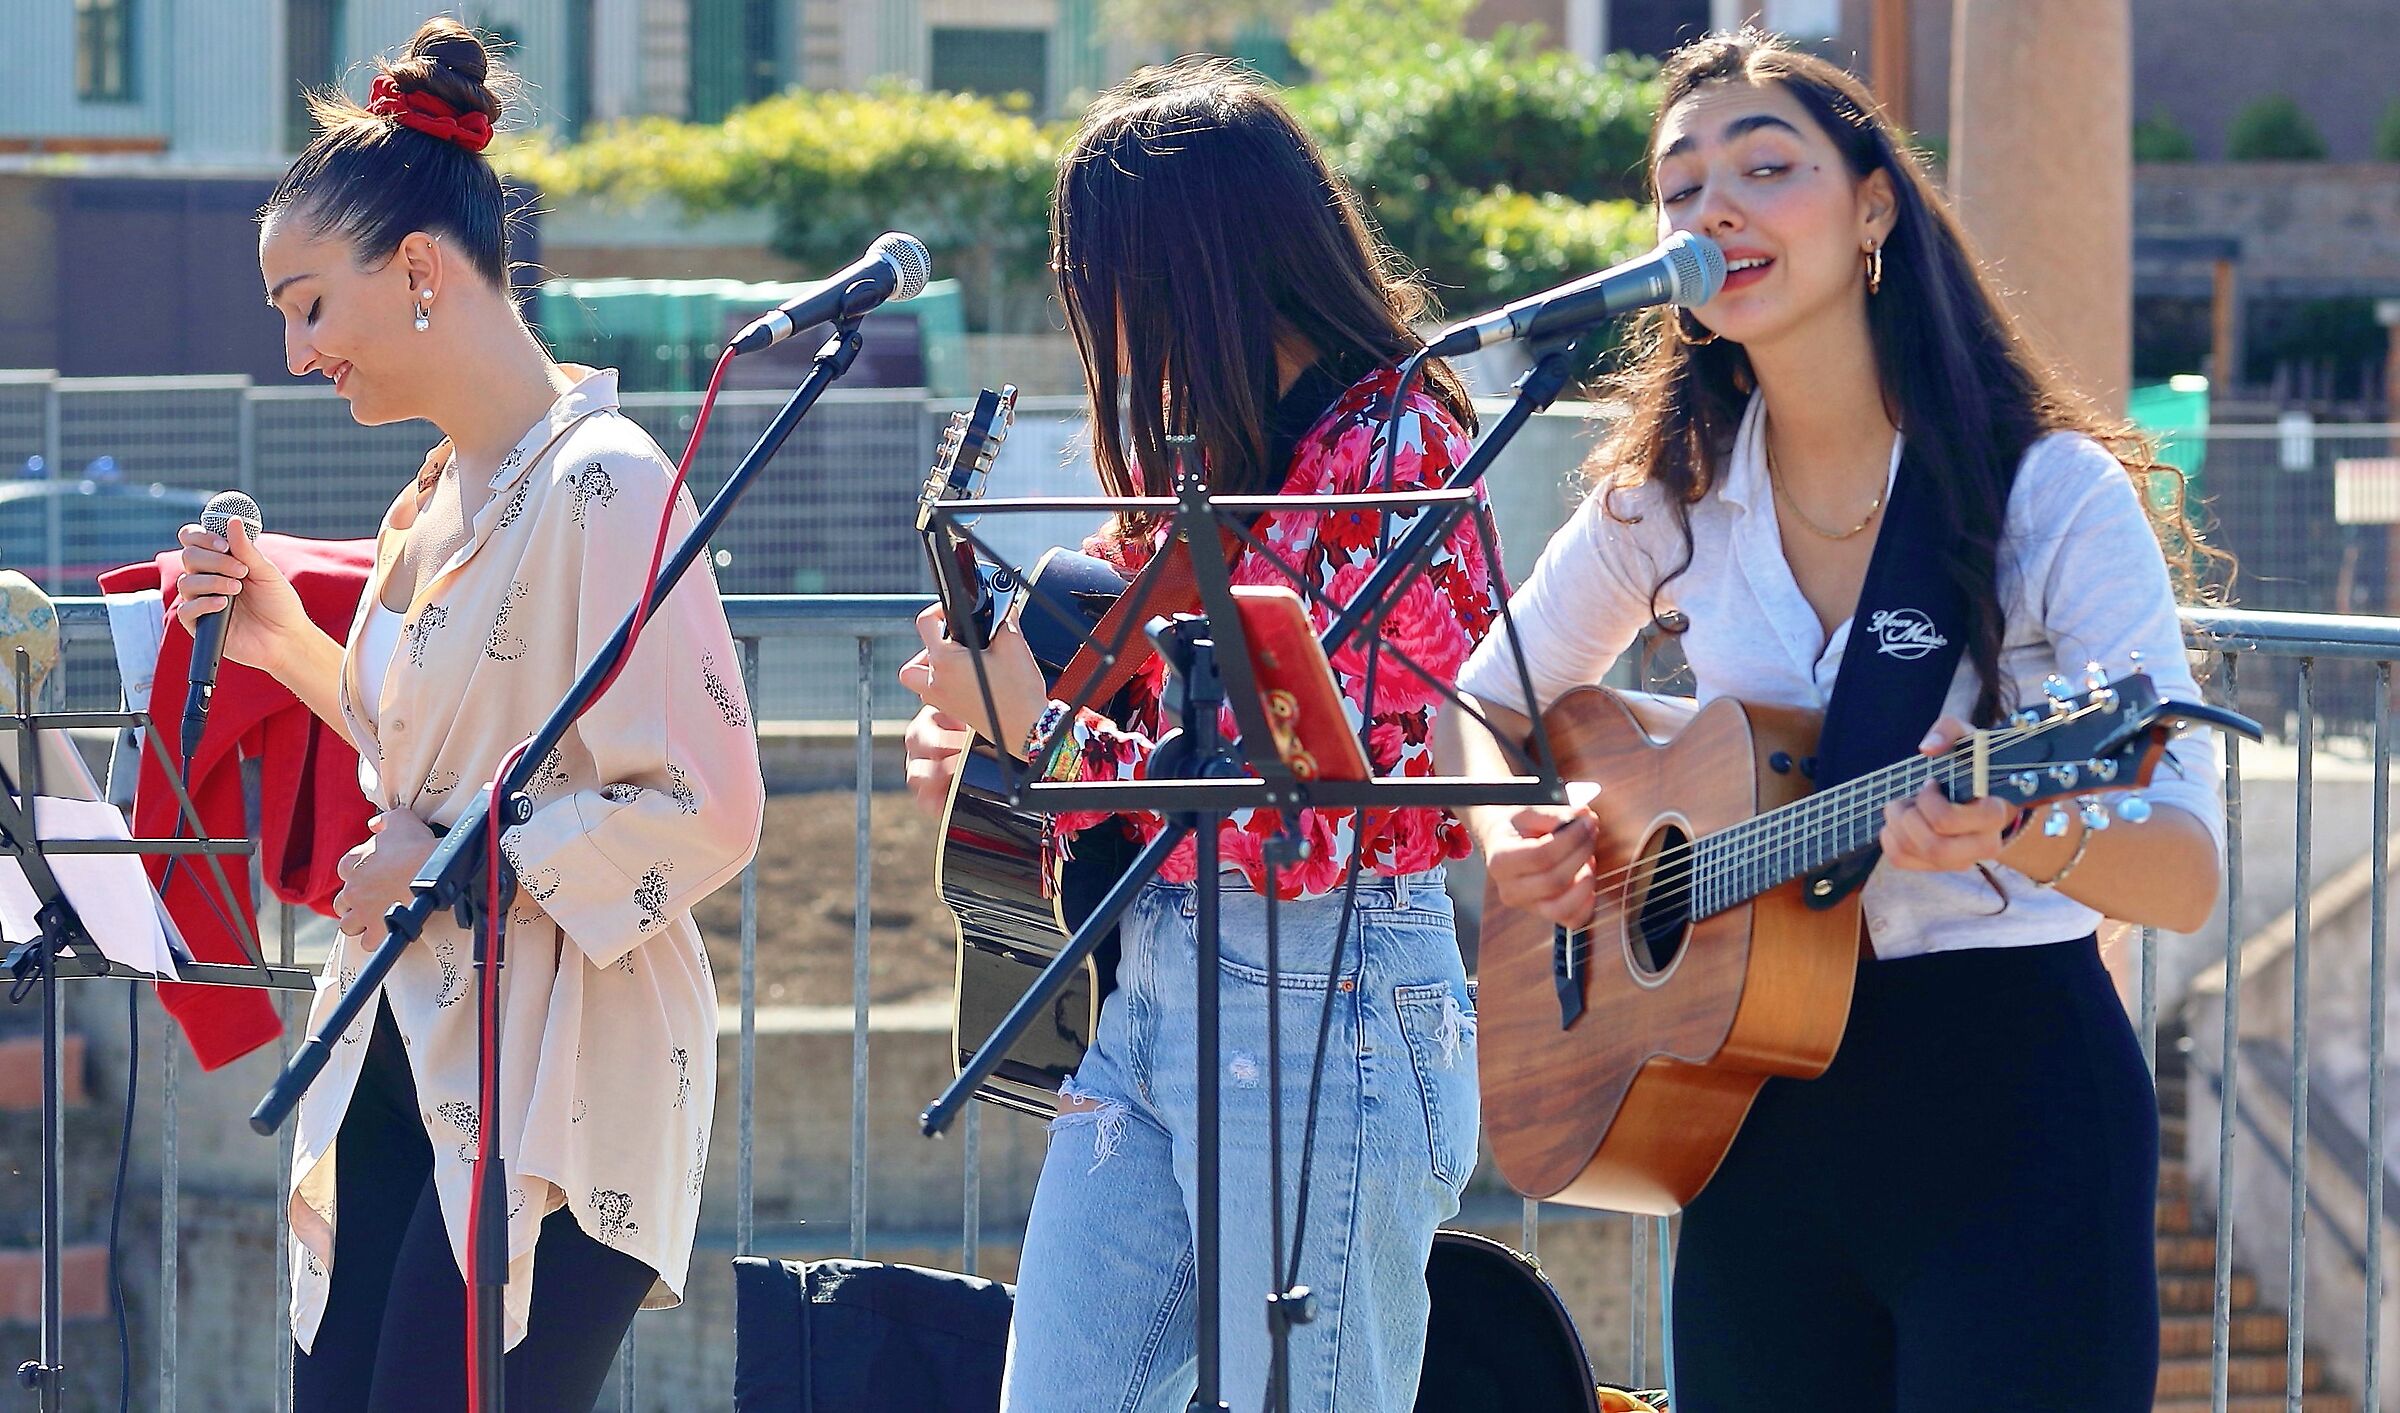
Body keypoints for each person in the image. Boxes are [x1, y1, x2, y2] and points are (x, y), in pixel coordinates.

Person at [1436, 29, 2226, 1413]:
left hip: (2011, 1112)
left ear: (1875, 211)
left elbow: (2188, 863)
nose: (1713, 208)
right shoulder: (1665, 497)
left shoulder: (2044, 496)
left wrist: (2023, 826)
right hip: (1752, 1123)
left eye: (1766, 166)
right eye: (1680, 190)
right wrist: (1512, 836)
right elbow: (1475, 696)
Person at [171, 19, 764, 1411]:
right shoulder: (438, 494)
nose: (300, 353)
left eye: (309, 305)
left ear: (422, 272)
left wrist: (444, 878)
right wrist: (282, 643)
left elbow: (707, 807)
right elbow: (431, 756)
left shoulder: (606, 482)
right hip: (412, 1035)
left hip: (557, 1067)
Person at [900, 58, 1500, 1413]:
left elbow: (1300, 818)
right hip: (1167, 989)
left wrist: (1033, 727)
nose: (1095, 316)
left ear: (1200, 268)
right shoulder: (1222, 455)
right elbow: (1149, 745)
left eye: (1106, 277)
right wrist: (1012, 754)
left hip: (1328, 986)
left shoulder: (1392, 451)